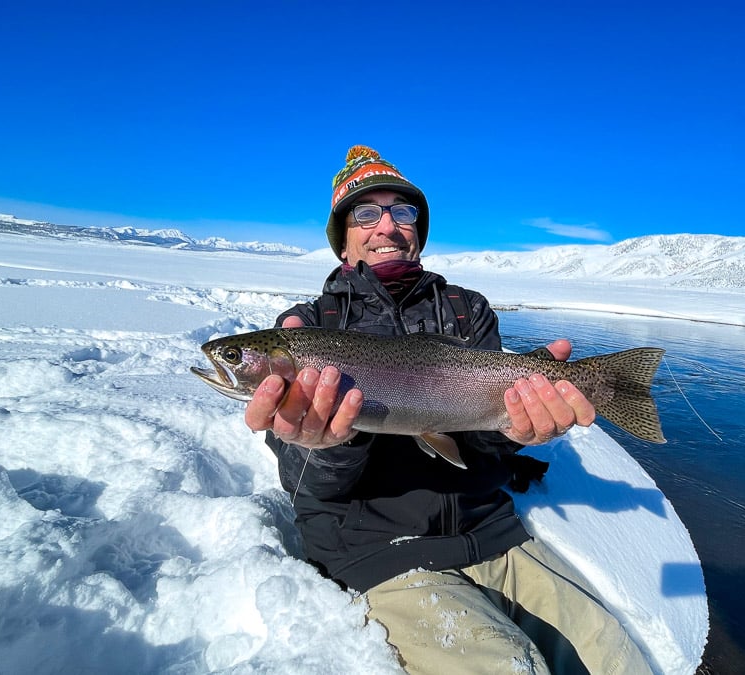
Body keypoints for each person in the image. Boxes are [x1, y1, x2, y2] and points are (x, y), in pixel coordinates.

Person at [244, 145, 652, 674]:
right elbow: (307, 487)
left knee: (616, 657)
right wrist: (328, 445)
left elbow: (484, 446)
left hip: (491, 534)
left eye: (403, 211)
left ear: (419, 227)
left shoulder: (467, 309)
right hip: (378, 548)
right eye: (366, 213)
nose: (387, 226)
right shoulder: (308, 328)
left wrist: (517, 431)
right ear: (342, 239)